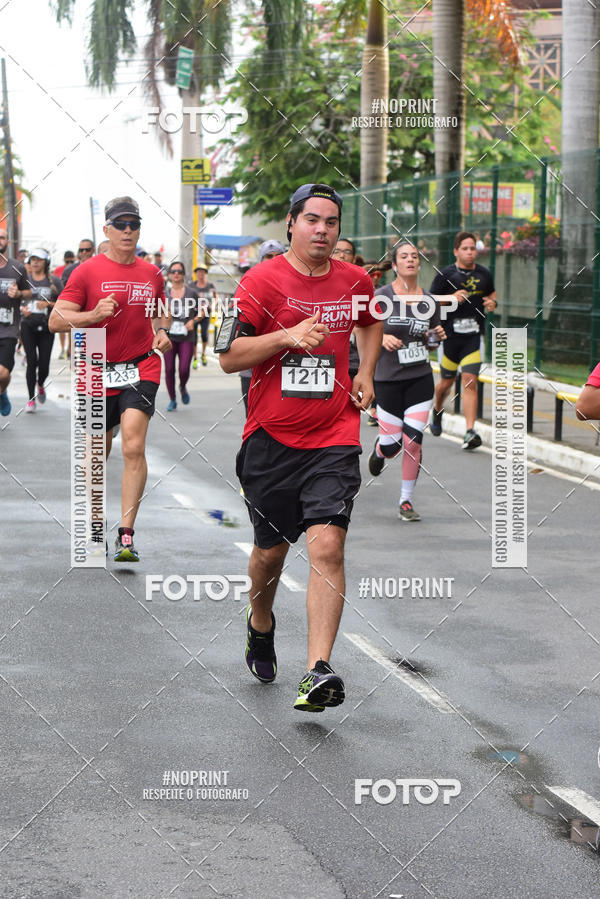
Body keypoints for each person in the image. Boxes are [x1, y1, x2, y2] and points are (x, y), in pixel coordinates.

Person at [218, 182, 382, 712]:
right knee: (271, 553)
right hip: (270, 439)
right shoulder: (260, 281)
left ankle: (317, 670)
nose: (322, 230)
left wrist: (368, 372)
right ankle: (260, 622)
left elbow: (372, 320)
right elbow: (229, 355)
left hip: (333, 435)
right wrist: (286, 336)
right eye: (312, 219)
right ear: (292, 224)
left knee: (328, 547)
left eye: (331, 222)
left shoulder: (354, 280)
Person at [50, 196, 171, 562]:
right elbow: (57, 320)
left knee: (133, 446)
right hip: (96, 363)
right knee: (97, 453)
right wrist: (91, 315)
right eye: (121, 224)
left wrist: (163, 332)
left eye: (134, 224)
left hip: (141, 365)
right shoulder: (86, 271)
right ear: (107, 229)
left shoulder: (152, 273)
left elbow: (160, 313)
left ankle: (127, 534)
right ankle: (95, 525)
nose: (128, 230)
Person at [367, 242, 445, 521]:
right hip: (387, 379)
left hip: (419, 378)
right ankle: (380, 449)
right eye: (404, 256)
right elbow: (362, 332)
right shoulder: (381, 297)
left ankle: (406, 501)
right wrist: (382, 337)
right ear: (395, 264)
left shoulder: (429, 301)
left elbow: (431, 342)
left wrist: (436, 337)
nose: (410, 260)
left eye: (414, 256)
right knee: (392, 446)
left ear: (419, 263)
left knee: (412, 442)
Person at [429, 231, 498, 450]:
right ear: (456, 251)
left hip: (473, 337)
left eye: (473, 248)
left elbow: (492, 295)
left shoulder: (484, 273)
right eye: (465, 248)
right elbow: (429, 303)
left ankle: (470, 431)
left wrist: (491, 304)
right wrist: (451, 299)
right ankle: (437, 409)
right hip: (449, 338)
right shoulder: (446, 274)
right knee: (446, 384)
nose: (470, 252)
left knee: (470, 381)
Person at [240, 240, 286, 414]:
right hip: (252, 370)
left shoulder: (299, 287)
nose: (273, 260)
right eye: (268, 256)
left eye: (278, 256)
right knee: (255, 424)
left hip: (285, 370)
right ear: (260, 260)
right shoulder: (247, 286)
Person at [20, 249, 62, 412]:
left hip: (47, 326)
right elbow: (16, 300)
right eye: (33, 260)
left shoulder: (54, 281)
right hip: (27, 324)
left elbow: (65, 302)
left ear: (46, 262)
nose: (35, 263)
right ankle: (31, 399)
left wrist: (48, 304)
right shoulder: (25, 280)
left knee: (44, 365)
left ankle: (41, 383)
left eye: (39, 260)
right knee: (32, 361)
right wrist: (23, 309)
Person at [0, 228, 31, 415]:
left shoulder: (17, 268)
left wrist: (19, 293)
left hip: (8, 329)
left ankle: (2, 391)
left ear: (7, 243)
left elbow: (29, 291)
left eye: (2, 237)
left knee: (3, 373)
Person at [163, 261, 199, 411]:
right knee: (169, 369)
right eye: (173, 271)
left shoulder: (192, 293)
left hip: (186, 336)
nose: (176, 274)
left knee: (184, 368)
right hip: (169, 337)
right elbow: (155, 313)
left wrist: (193, 320)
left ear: (183, 274)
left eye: (179, 271)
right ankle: (172, 399)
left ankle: (183, 386)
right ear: (169, 274)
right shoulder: (163, 293)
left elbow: (202, 310)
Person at [190, 264, 216, 367]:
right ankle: (195, 357)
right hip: (194, 314)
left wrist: (213, 305)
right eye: (198, 272)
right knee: (194, 337)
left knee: (205, 335)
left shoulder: (210, 286)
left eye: (203, 272)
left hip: (206, 314)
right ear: (196, 273)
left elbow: (215, 297)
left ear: (205, 273)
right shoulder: (191, 286)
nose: (200, 274)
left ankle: (204, 354)